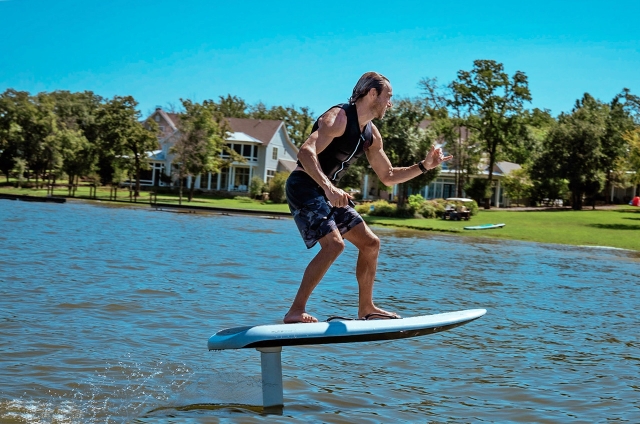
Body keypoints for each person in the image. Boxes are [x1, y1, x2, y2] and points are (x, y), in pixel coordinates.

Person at [283, 72, 452, 324]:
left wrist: (424, 166)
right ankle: (296, 310)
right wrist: (329, 188)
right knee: (334, 245)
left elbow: (388, 175)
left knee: (371, 243)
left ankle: (366, 308)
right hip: (304, 186)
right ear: (373, 94)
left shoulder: (371, 135)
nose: (390, 104)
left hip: (327, 191)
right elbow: (305, 153)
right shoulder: (338, 118)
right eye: (388, 96)